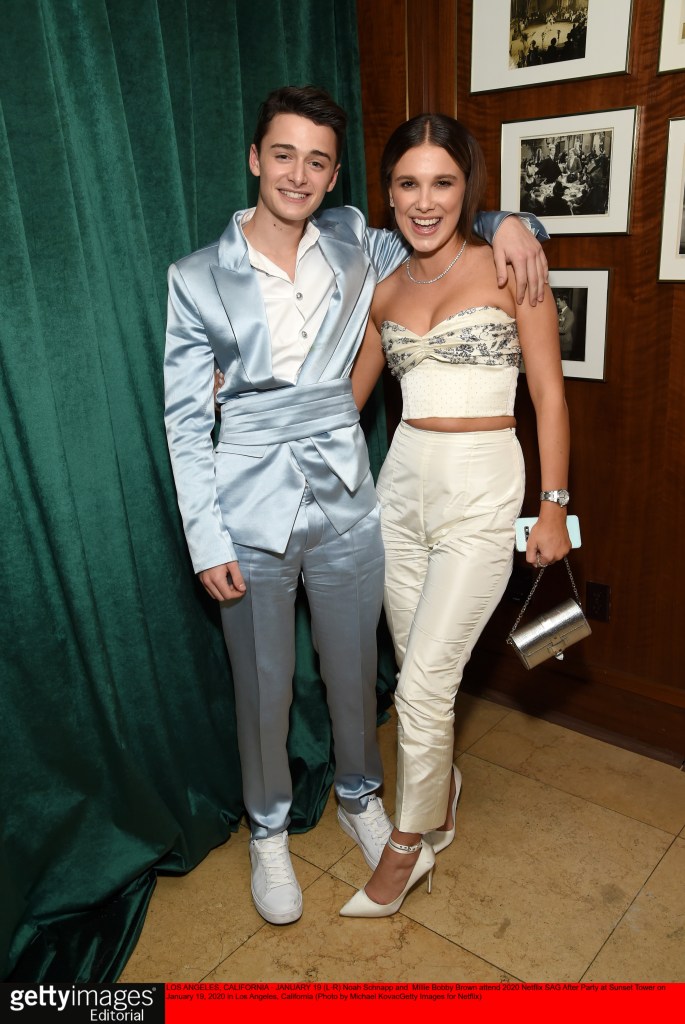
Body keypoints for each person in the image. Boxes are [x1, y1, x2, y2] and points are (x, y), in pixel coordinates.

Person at [164, 87, 548, 927]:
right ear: (254, 159)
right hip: (247, 507)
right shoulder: (194, 279)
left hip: (349, 500)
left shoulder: (353, 241)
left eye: (317, 160)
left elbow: (443, 217)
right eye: (283, 155)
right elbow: (186, 421)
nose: (298, 174)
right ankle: (267, 831)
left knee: (354, 674)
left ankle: (361, 797)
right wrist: (204, 539)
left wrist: (519, 220)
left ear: (335, 176)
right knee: (262, 685)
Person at [343, 113, 570, 917]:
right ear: (389, 193)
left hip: (483, 490)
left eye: (442, 181)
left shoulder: (509, 265)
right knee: (417, 674)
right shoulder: (385, 289)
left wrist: (553, 508)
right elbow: (347, 407)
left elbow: (547, 393)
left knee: (423, 684)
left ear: (467, 189)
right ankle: (438, 794)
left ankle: (406, 848)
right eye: (407, 183)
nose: (423, 199)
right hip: (396, 493)